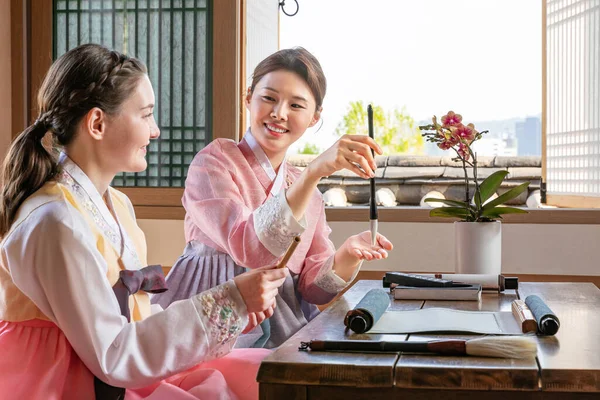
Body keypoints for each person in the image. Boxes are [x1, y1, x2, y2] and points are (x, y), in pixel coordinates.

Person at [0, 43, 289, 400]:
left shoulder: (117, 204)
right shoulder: (55, 223)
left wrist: (233, 308)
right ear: (97, 123)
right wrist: (230, 300)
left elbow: (135, 317)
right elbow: (114, 354)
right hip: (69, 384)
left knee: (262, 372)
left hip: (118, 373)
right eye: (146, 114)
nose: (155, 131)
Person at [153, 47, 394, 348]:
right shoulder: (213, 162)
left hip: (284, 329)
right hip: (209, 319)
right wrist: (313, 173)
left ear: (314, 117)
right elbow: (248, 248)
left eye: (296, 105)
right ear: (248, 98)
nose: (279, 113)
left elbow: (312, 290)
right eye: (269, 98)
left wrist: (348, 254)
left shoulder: (310, 195)